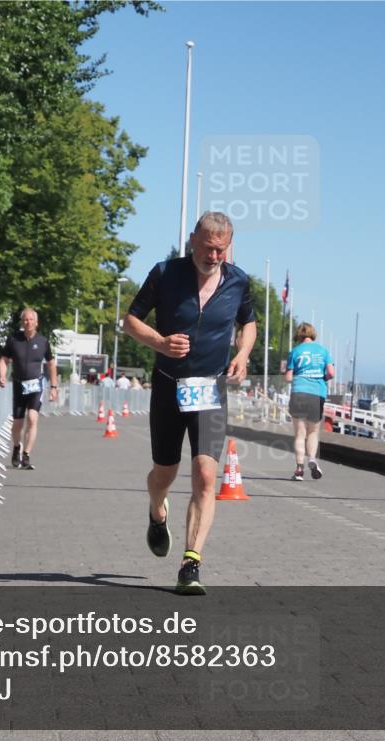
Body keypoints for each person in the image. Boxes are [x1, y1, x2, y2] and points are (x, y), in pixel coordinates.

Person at [123, 211, 256, 595]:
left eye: (221, 250)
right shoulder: (165, 273)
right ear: (194, 240)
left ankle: (190, 563)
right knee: (163, 474)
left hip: (210, 389)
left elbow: (248, 322)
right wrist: (160, 343)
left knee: (205, 475)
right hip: (168, 385)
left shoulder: (238, 281)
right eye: (209, 248)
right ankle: (156, 509)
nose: (214, 256)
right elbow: (130, 321)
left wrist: (244, 353)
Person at [0, 308, 58, 470]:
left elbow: (51, 364)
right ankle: (17, 446)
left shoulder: (43, 341)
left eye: (31, 320)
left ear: (36, 323)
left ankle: (26, 455)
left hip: (36, 385)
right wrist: (2, 375)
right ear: (22, 322)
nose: (28, 322)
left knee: (32, 418)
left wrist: (53, 386)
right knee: (17, 423)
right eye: (25, 320)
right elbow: (3, 360)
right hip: (18, 384)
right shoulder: (13, 340)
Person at [285, 322, 335, 481]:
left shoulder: (295, 351)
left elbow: (288, 378)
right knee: (313, 431)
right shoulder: (323, 351)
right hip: (316, 393)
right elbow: (331, 373)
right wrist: (322, 378)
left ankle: (299, 470)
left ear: (298, 336)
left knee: (300, 434)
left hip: (299, 391)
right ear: (313, 334)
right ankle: (312, 459)